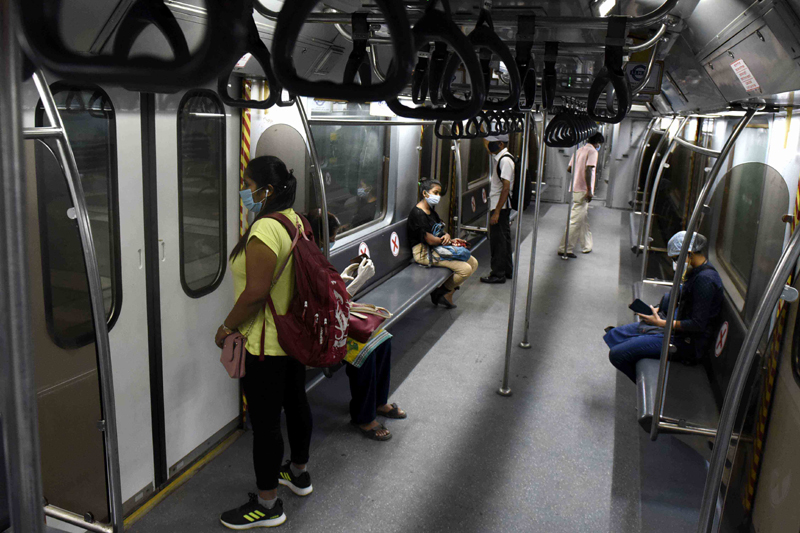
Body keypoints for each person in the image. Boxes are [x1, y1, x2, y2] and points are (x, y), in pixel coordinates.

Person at [214, 156, 311, 529]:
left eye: (247, 184)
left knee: (266, 424)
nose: (244, 191)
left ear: (265, 190)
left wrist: (225, 327)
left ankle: (269, 506)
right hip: (293, 336)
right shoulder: (296, 221)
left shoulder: (264, 231)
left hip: (265, 343)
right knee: (297, 401)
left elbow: (255, 294)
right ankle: (299, 474)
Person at [306, 209, 407, 441]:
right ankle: (363, 417)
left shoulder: (315, 254)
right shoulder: (306, 259)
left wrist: (341, 279)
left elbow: (327, 294)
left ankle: (378, 401)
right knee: (365, 349)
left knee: (382, 339)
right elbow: (321, 305)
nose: (333, 240)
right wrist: (359, 282)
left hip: (329, 316)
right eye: (331, 235)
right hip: (316, 327)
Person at [604, 231, 723, 382]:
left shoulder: (705, 281)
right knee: (616, 334)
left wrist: (659, 323)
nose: (675, 263)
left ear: (689, 254)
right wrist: (658, 310)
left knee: (617, 354)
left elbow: (697, 325)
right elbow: (683, 296)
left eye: (676, 258)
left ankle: (647, 386)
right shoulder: (697, 271)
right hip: (677, 327)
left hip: (687, 343)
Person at [407, 179, 479, 309]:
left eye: (439, 193)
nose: (438, 197)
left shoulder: (431, 211)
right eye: (435, 192)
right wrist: (446, 240)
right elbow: (430, 240)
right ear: (425, 193)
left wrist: (449, 237)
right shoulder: (418, 214)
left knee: (473, 262)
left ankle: (447, 293)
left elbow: (439, 231)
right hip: (423, 252)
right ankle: (440, 292)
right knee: (465, 269)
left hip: (435, 248)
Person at [558, 133, 604, 258]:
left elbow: (569, 168)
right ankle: (565, 249)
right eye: (599, 144)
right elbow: (588, 169)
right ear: (597, 142)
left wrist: (578, 171)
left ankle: (587, 245)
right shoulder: (593, 152)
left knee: (582, 218)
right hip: (583, 189)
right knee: (575, 220)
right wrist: (589, 190)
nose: (599, 146)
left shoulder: (579, 150)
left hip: (575, 188)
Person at [480, 134, 515, 284]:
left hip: (500, 207)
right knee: (504, 240)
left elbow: (506, 188)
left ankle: (498, 274)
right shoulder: (502, 157)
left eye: (493, 143)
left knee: (498, 242)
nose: (490, 146)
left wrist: (497, 212)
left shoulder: (505, 160)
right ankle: (507, 270)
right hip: (501, 206)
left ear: (501, 144)